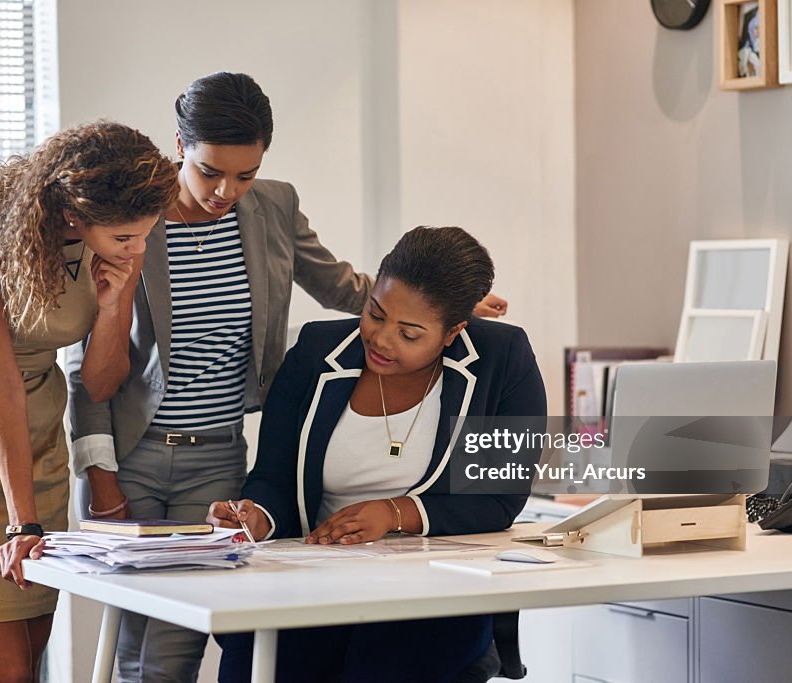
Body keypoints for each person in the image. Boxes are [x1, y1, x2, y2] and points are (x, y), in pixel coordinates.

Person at [65, 71, 508, 682]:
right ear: (180, 146)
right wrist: (99, 473)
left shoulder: (273, 205)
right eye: (210, 171)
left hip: (218, 454)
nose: (227, 191)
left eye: (244, 174)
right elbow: (82, 360)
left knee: (181, 643)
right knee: (138, 645)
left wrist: (440, 308)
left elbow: (344, 286)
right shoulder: (133, 219)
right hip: (131, 453)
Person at [0, 121, 178, 683]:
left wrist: (116, 300)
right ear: (74, 213)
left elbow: (99, 383)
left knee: (32, 655)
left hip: (40, 439)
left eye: (146, 234)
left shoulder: (121, 240)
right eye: (126, 238)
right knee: (6, 672)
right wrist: (23, 526)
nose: (138, 247)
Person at [208, 226, 547, 683]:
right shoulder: (315, 351)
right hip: (312, 583)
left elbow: (499, 498)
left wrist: (395, 513)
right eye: (376, 314)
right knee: (256, 661)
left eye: (409, 333)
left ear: (453, 332)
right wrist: (258, 517)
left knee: (386, 661)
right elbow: (273, 477)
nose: (382, 340)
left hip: (432, 590)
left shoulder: (501, 360)